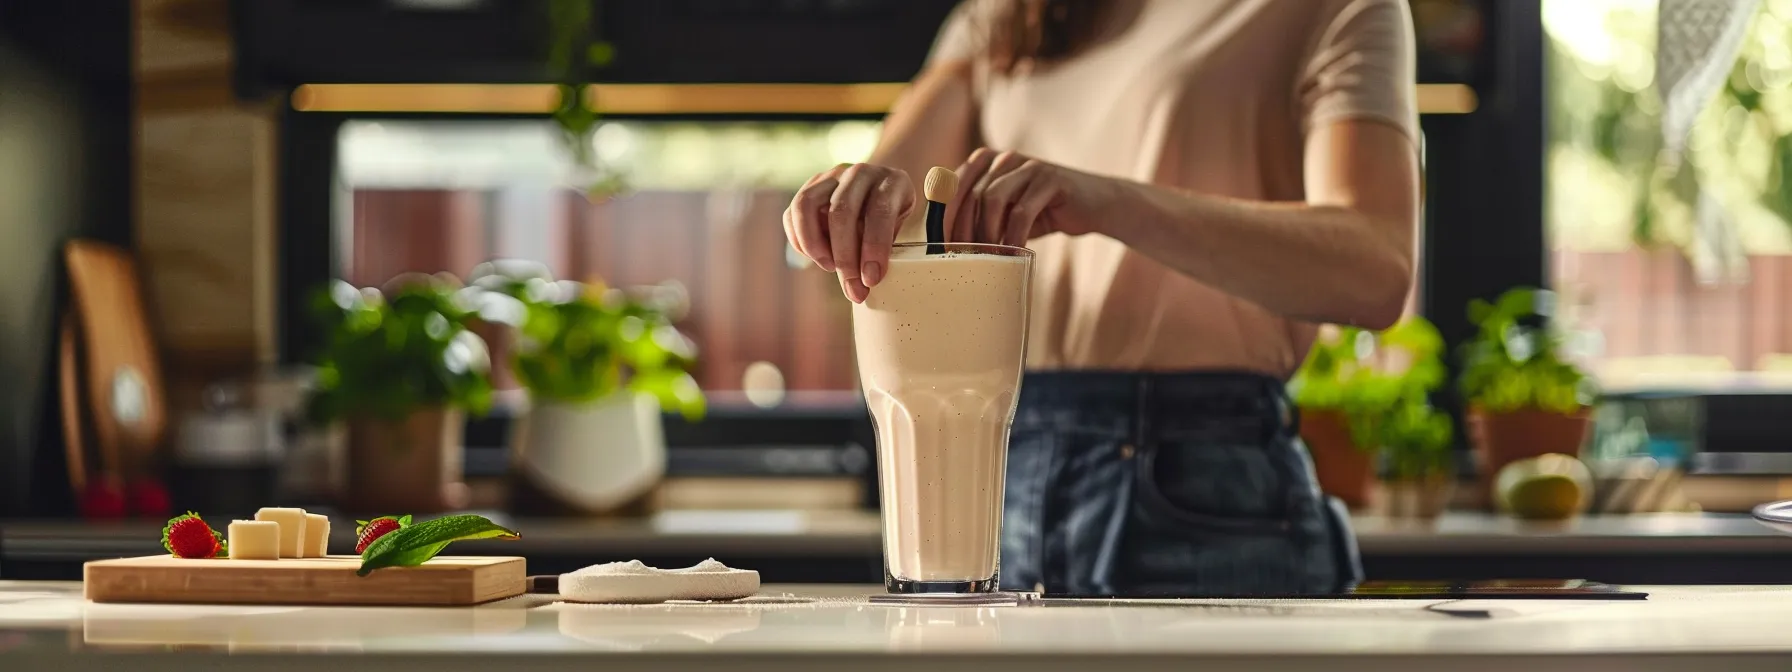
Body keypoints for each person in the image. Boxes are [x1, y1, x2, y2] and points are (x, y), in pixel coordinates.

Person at [783, 0, 1419, 596]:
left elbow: (1376, 267)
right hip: (1007, 475)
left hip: (1207, 483)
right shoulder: (1004, 16)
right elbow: (889, 203)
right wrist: (849, 198)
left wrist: (1108, 201)